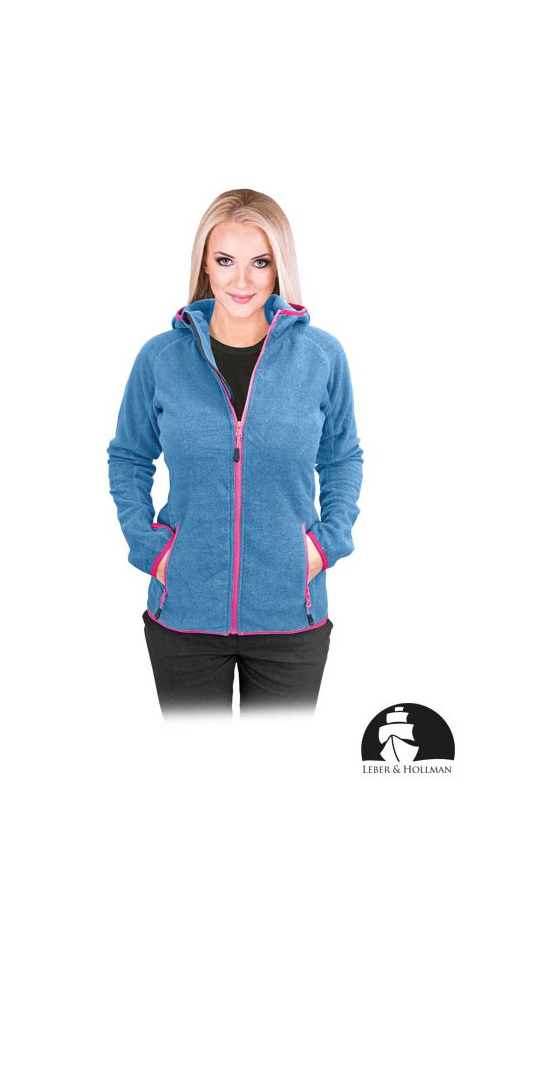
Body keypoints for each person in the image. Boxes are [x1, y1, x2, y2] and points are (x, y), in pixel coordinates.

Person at [107, 188, 363, 717]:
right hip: (184, 617)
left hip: (291, 617)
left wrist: (325, 545)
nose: (241, 280)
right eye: (225, 261)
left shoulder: (321, 357)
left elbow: (341, 458)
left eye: (259, 262)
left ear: (278, 268)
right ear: (205, 264)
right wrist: (151, 550)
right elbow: (129, 457)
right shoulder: (161, 359)